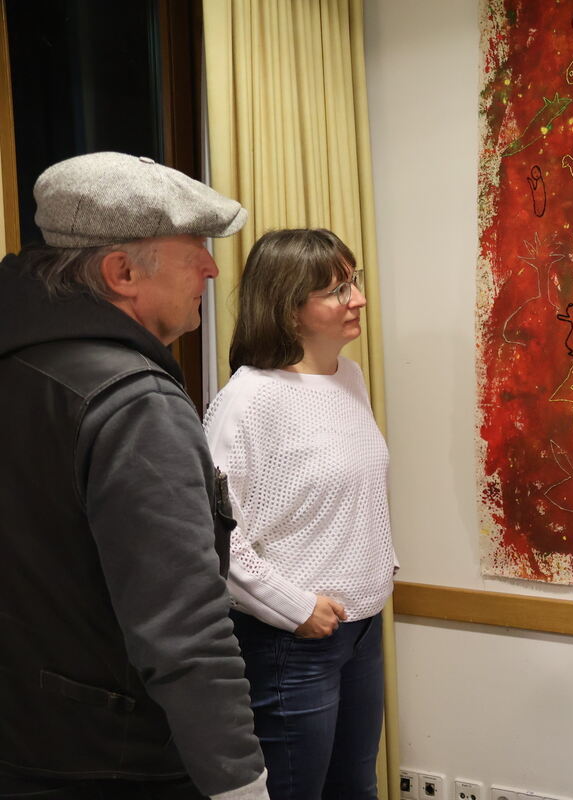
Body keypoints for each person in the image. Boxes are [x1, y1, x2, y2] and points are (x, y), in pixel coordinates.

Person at [0, 152, 267, 798]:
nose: (211, 268)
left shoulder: (21, 366)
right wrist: (241, 784)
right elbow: (186, 629)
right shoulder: (133, 403)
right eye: (194, 249)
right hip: (116, 763)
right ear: (121, 272)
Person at [203, 229, 396, 800]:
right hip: (290, 641)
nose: (358, 299)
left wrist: (381, 565)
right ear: (289, 309)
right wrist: (296, 608)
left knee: (355, 789)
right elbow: (213, 537)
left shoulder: (349, 378)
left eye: (354, 282)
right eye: (337, 290)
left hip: (362, 627)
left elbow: (354, 493)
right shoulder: (247, 401)